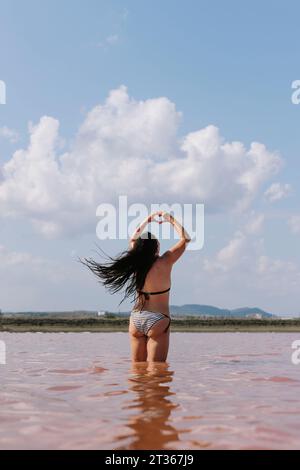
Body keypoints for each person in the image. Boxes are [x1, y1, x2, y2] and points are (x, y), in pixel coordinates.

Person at [82, 211, 191, 362]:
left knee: (137, 371)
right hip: (158, 319)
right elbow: (186, 239)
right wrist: (170, 219)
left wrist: (148, 219)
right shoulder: (165, 261)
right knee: (157, 373)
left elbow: (133, 238)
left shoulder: (135, 263)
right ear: (156, 248)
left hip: (136, 319)